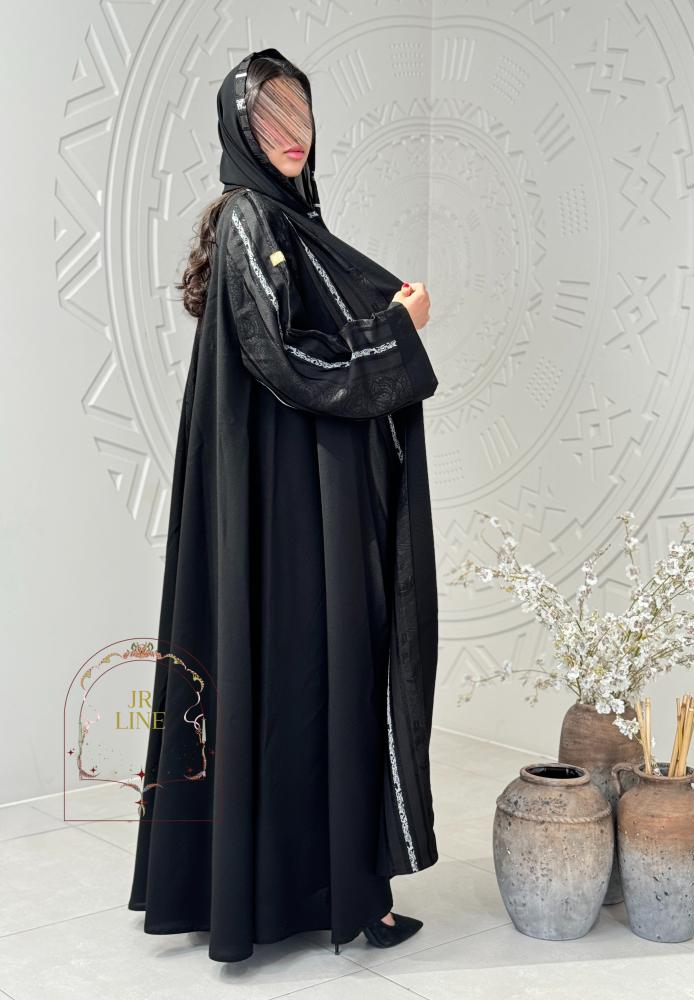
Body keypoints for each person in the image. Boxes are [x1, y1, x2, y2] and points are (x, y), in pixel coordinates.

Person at [127, 47, 440, 964]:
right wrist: (398, 328)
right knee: (302, 677)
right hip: (278, 513)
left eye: (297, 115)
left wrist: (379, 324)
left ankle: (340, 891)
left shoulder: (290, 224)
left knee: (325, 678)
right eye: (267, 119)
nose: (288, 135)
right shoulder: (249, 221)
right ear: (240, 131)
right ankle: (286, 898)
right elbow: (285, 361)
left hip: (298, 500)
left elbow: (299, 345)